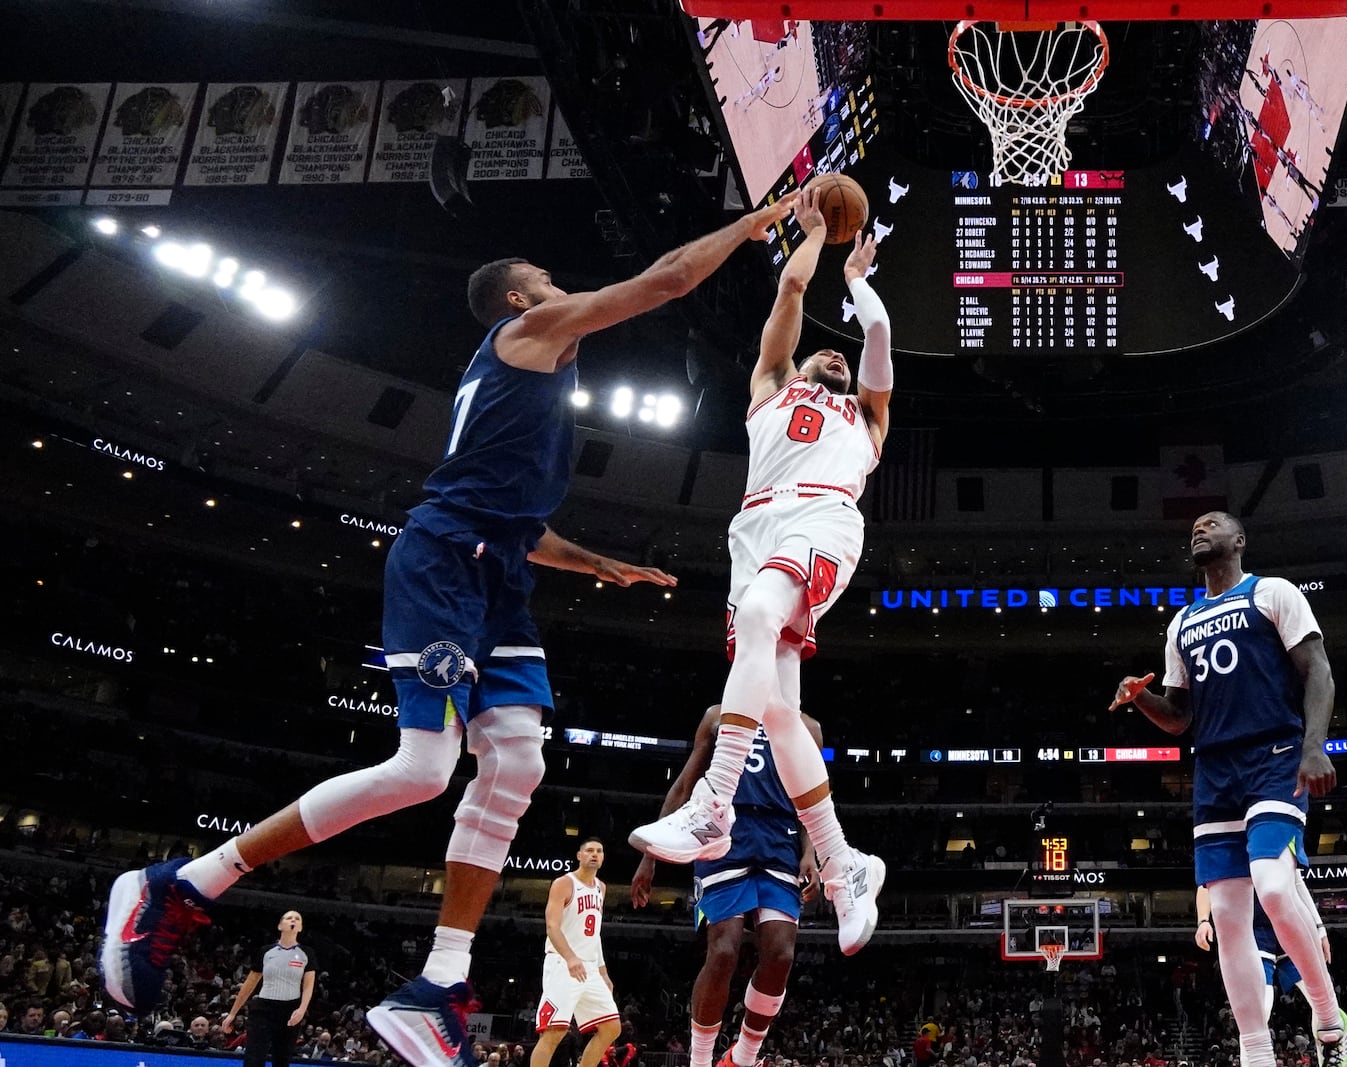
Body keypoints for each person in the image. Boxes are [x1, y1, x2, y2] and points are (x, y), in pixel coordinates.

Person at [99, 190, 800, 1065]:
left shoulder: (535, 380)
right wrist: (754, 221)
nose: (558, 286)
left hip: (497, 573)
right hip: (442, 563)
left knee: (518, 760)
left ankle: (439, 979)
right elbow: (664, 282)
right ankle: (186, 881)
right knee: (426, 767)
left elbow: (524, 527)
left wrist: (599, 564)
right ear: (519, 298)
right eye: (544, 279)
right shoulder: (523, 339)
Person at [629, 186, 892, 954]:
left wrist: (858, 284)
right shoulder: (771, 387)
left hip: (822, 519)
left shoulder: (868, 418)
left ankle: (715, 802)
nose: (834, 352)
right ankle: (845, 863)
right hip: (757, 525)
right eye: (824, 349)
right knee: (778, 713)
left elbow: (875, 337)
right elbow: (787, 289)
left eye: (840, 354)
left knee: (757, 621)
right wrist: (810, 237)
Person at [1110, 511, 1347, 1067]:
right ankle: (1256, 1052)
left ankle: (1327, 1013)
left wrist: (1316, 745)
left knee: (1272, 885)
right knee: (1228, 915)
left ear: (1239, 541)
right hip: (1214, 768)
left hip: (1273, 754)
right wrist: (1140, 698)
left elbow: (1318, 670)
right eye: (1194, 526)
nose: (1200, 529)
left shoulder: (1272, 592)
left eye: (1212, 523)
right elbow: (1179, 717)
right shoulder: (1181, 622)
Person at [631, 704, 822, 1067]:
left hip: (779, 838)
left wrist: (810, 852)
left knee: (781, 954)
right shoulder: (718, 714)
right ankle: (700, 1060)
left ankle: (743, 1056)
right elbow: (685, 785)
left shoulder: (808, 727)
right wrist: (649, 856)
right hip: (722, 831)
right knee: (723, 951)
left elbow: (812, 800)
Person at [529, 839, 619, 1067]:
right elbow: (552, 927)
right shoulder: (563, 883)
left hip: (589, 967)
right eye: (589, 850)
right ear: (579, 855)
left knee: (611, 1028)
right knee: (554, 1032)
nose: (594, 854)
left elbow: (594, 934)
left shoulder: (601, 887)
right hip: (562, 963)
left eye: (599, 851)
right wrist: (570, 957)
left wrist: (603, 972)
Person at [1195, 884, 1330, 1021]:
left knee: (1326, 1004)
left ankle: (1330, 1042)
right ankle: (1253, 1041)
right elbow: (1206, 883)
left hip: (1289, 925)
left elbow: (1297, 882)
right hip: (1255, 931)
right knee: (1262, 1008)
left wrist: (1320, 928)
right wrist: (1203, 920)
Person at [221, 910, 318, 1066]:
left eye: (297, 918)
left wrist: (301, 1009)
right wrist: (232, 1013)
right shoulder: (266, 951)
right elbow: (249, 984)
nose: (293, 920)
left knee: (282, 1058)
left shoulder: (307, 953)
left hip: (290, 1010)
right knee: (254, 1056)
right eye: (288, 918)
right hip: (263, 1009)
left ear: (300, 927)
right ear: (280, 926)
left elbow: (308, 986)